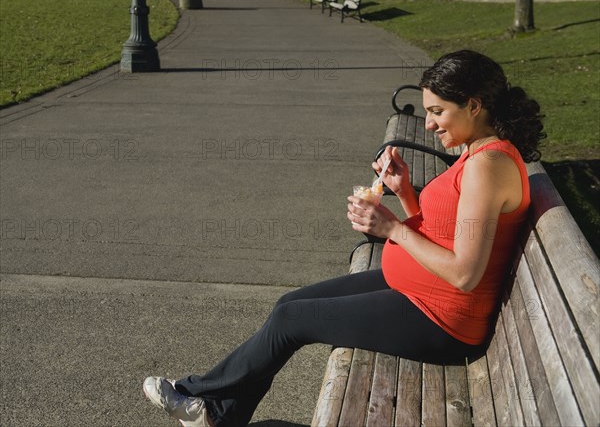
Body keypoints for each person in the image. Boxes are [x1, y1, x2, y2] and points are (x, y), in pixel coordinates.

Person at [142, 50, 545, 427]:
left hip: (442, 319)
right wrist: (404, 191)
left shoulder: (488, 165)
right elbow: (442, 230)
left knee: (290, 320)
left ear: (474, 105)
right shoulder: (479, 153)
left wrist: (390, 229)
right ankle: (217, 414)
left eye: (438, 111)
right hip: (420, 290)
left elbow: (465, 273)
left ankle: (201, 399)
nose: (429, 124)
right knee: (289, 303)